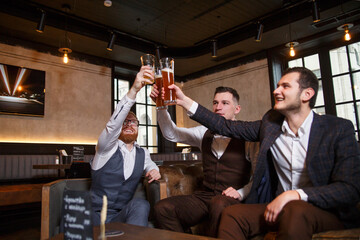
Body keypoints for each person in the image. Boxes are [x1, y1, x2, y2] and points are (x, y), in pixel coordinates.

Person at [169, 66, 360, 240]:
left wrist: (294, 195)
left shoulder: (338, 129)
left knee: (296, 209)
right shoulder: (270, 126)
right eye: (277, 86)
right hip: (277, 208)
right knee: (232, 215)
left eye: (285, 86)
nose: (276, 91)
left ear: (307, 94)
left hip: (326, 212)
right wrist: (184, 101)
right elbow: (225, 126)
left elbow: (349, 189)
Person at [150, 85, 258, 237]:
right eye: (215, 103)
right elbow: (171, 134)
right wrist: (161, 107)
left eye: (225, 103)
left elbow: (258, 175)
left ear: (237, 109)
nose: (218, 107)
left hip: (232, 199)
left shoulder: (247, 136)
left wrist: (241, 193)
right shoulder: (203, 132)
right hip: (205, 198)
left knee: (219, 204)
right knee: (163, 208)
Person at [90, 66, 161, 227]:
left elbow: (149, 165)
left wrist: (154, 170)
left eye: (133, 122)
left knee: (141, 204)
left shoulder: (143, 152)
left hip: (119, 217)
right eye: (125, 121)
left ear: (138, 127)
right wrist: (134, 90)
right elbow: (113, 125)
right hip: (95, 217)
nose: (129, 124)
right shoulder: (106, 147)